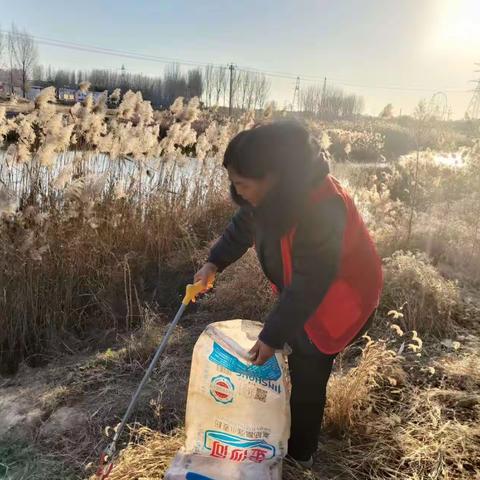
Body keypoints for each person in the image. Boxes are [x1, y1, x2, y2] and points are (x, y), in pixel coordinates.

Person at [194, 121, 383, 466]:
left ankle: (301, 456)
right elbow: (242, 227)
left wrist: (273, 335)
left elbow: (311, 283)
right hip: (307, 289)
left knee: (308, 368)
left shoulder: (324, 206)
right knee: (294, 344)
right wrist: (213, 264)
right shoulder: (271, 193)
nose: (237, 192)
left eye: (242, 184)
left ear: (273, 176)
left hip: (341, 296)